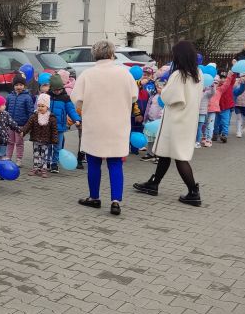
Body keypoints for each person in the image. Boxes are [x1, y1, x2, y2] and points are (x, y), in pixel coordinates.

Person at [70, 40, 139, 216]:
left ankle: (94, 197)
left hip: (95, 124)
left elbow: (76, 98)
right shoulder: (124, 73)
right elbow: (134, 96)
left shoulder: (88, 74)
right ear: (112, 54)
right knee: (115, 163)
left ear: (94, 54)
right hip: (118, 125)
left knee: (94, 162)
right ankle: (116, 201)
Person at [133, 40, 204, 206]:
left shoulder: (179, 75)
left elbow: (169, 97)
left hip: (176, 121)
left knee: (179, 157)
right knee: (165, 153)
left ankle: (193, 191)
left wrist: (163, 90)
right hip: (187, 119)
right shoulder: (197, 73)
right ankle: (154, 183)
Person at [47, 74, 80, 173]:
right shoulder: (47, 97)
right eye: (55, 90)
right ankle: (47, 161)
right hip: (48, 126)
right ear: (51, 88)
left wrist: (76, 119)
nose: (57, 91)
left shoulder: (65, 98)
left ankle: (54, 164)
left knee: (57, 146)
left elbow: (71, 110)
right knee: (48, 145)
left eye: (59, 89)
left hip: (60, 127)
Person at [21, 93, 58, 178]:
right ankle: (35, 168)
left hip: (46, 141)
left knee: (44, 155)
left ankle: (43, 169)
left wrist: (54, 139)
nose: (40, 108)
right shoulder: (34, 116)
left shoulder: (51, 117)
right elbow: (28, 125)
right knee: (36, 154)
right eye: (39, 106)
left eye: (42, 106)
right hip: (36, 139)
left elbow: (54, 130)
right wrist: (23, 131)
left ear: (47, 107)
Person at [5, 76, 34, 168]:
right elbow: (5, 110)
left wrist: (28, 126)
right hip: (10, 124)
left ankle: (19, 159)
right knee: (10, 141)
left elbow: (30, 112)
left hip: (21, 125)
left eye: (21, 85)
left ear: (24, 86)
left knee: (19, 142)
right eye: (16, 85)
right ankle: (8, 157)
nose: (18, 87)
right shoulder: (9, 96)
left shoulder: (27, 97)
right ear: (13, 86)